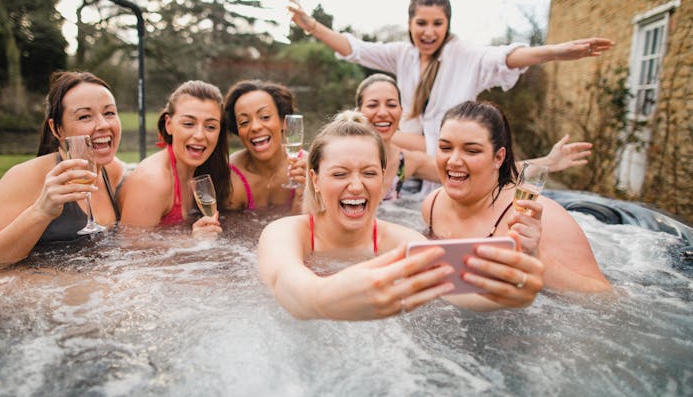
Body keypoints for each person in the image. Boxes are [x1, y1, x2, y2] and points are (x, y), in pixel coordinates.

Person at [257, 110, 546, 320]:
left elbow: (457, 287)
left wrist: (509, 285)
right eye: (340, 173)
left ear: (383, 178)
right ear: (316, 179)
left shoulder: (399, 240)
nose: (356, 185)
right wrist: (322, 299)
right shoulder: (285, 233)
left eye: (369, 173)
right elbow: (285, 283)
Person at [288, 0, 613, 161]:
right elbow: (354, 48)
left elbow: (505, 58)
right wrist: (313, 26)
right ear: (410, 23)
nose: (429, 32)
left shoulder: (464, 55)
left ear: (447, 24)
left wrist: (556, 52)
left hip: (447, 157)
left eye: (437, 24)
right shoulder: (403, 55)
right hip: (410, 161)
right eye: (421, 23)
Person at [421, 100, 611, 292]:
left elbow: (606, 298)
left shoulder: (542, 218)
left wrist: (536, 260)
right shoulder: (433, 204)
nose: (453, 161)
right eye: (445, 148)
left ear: (498, 158)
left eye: (472, 151)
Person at [0, 71, 126, 269]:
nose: (103, 124)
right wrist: (41, 212)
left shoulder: (113, 172)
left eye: (109, 113)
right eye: (85, 116)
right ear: (56, 129)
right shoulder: (25, 177)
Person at [354, 73, 594, 200]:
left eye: (392, 104)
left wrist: (548, 163)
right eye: (373, 104)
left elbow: (486, 173)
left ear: (400, 112)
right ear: (358, 111)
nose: (383, 112)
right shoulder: (341, 155)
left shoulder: (407, 162)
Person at [118, 80, 230, 234]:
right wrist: (190, 243)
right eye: (189, 124)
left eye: (210, 127)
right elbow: (129, 247)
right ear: (169, 124)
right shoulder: (152, 181)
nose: (199, 135)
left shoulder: (207, 170)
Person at [223, 80, 307, 212]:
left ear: (283, 121)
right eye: (244, 122)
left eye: (265, 117)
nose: (255, 127)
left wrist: (302, 194)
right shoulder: (231, 178)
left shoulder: (308, 166)